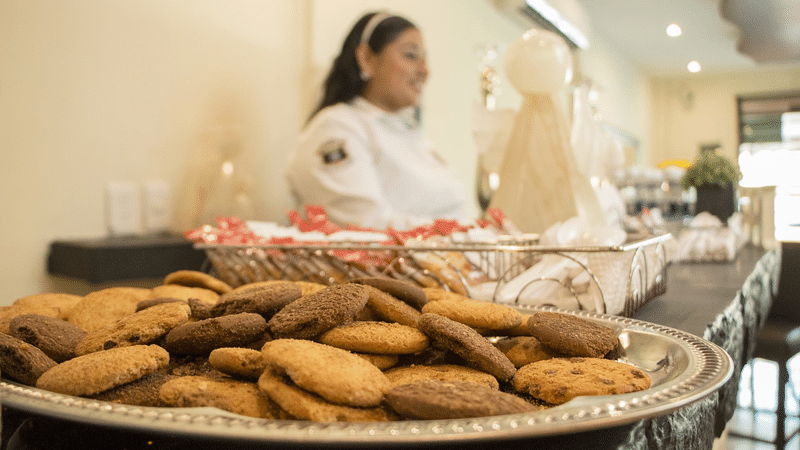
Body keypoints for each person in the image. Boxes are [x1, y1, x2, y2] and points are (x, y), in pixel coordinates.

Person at [286, 11, 468, 230]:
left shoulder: (412, 134)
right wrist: (463, 234)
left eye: (425, 59)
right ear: (367, 58)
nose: (424, 71)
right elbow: (363, 224)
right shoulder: (336, 127)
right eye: (411, 55)